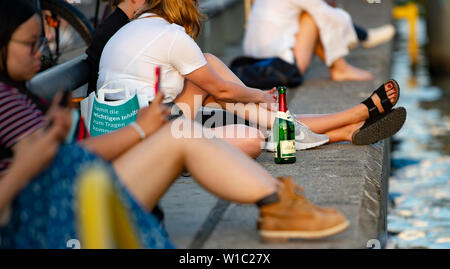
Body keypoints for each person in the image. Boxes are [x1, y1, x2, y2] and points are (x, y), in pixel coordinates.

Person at [0, 0, 350, 248]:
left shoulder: (24, 96)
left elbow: (70, 157)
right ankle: (278, 201)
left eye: (41, 42)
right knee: (185, 133)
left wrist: (68, 137)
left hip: (78, 187)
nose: (40, 54)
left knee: (185, 128)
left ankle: (283, 198)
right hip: (57, 213)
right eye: (31, 44)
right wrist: (28, 165)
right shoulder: (5, 100)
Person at [98, 0, 406, 152]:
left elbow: (222, 93)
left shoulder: (136, 29)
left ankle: (348, 126)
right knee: (252, 139)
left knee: (250, 114)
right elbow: (226, 91)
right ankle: (347, 121)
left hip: (120, 129)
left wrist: (249, 100)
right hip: (143, 137)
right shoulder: (171, 35)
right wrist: (258, 94)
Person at [243, 0, 374, 82]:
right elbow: (334, 18)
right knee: (313, 16)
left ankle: (341, 68)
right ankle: (341, 68)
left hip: (253, 62)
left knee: (310, 11)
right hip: (282, 67)